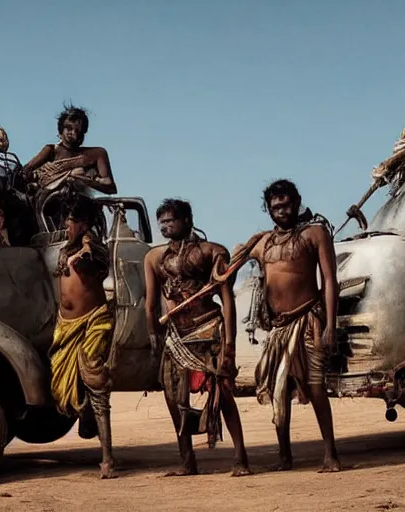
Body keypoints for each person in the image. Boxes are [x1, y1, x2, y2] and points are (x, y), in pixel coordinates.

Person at [213, 179, 343, 472]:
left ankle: (330, 454)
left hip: (309, 319)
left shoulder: (315, 234)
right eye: (276, 207)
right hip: (278, 329)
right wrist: (223, 265)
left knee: (317, 387)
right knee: (278, 391)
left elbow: (330, 280)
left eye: (286, 204)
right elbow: (227, 270)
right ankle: (285, 456)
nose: (282, 211)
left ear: (297, 202)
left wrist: (330, 325)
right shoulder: (262, 242)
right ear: (269, 211)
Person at [143, 198, 250, 477]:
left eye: (171, 221)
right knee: (173, 397)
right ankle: (187, 461)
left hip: (208, 328)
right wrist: (153, 334)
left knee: (222, 394)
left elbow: (227, 300)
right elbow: (150, 304)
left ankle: (240, 458)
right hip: (176, 336)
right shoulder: (154, 258)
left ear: (187, 220)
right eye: (162, 222)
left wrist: (230, 346)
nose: (165, 227)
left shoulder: (212, 252)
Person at [47, 198, 117, 479]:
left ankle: (108, 460)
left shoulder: (94, 248)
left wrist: (87, 248)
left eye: (72, 221)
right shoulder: (67, 249)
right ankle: (86, 417)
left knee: (96, 385)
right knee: (60, 385)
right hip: (66, 326)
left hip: (93, 323)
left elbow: (96, 269)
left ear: (85, 225)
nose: (67, 225)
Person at [22, 105, 116, 193]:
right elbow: (25, 170)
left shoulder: (96, 154)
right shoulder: (51, 150)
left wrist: (80, 178)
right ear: (61, 129)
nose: (72, 133)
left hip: (79, 203)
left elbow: (110, 187)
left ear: (82, 134)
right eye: (69, 128)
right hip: (49, 201)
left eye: (77, 130)